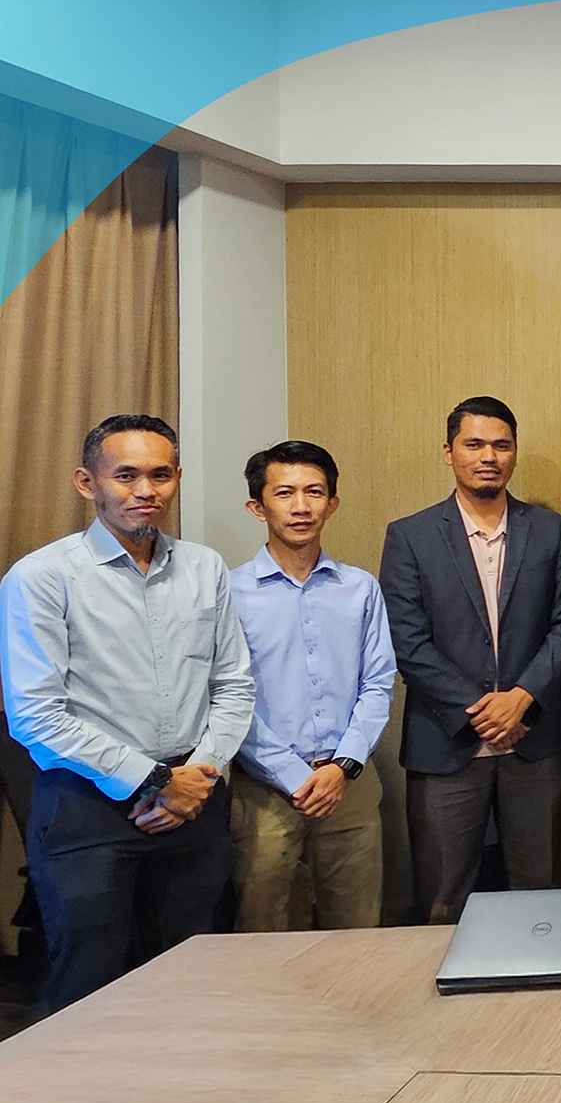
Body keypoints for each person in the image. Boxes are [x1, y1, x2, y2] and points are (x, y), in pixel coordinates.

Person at [0, 414, 255, 1011]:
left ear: (177, 478)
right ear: (87, 482)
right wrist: (157, 780)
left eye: (160, 475)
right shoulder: (41, 577)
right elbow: (35, 714)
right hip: (86, 807)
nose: (146, 490)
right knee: (88, 990)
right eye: (126, 475)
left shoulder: (205, 568)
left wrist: (198, 776)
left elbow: (234, 685)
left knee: (187, 982)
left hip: (194, 803)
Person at [380, 397, 561, 924]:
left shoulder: (553, 530)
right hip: (445, 743)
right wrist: (483, 710)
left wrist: (521, 699)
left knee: (538, 896)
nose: (488, 456)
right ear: (448, 452)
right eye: (473, 444)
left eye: (501, 445)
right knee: (441, 900)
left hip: (535, 740)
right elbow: (408, 644)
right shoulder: (410, 536)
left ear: (514, 452)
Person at [228, 441, 398, 931]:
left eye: (314, 492)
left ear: (332, 503)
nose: (301, 506)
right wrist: (292, 774)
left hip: (350, 784)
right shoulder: (229, 592)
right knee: (262, 928)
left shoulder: (360, 588)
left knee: (357, 925)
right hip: (264, 789)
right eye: (285, 493)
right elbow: (228, 697)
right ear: (257, 507)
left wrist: (342, 766)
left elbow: (377, 682)